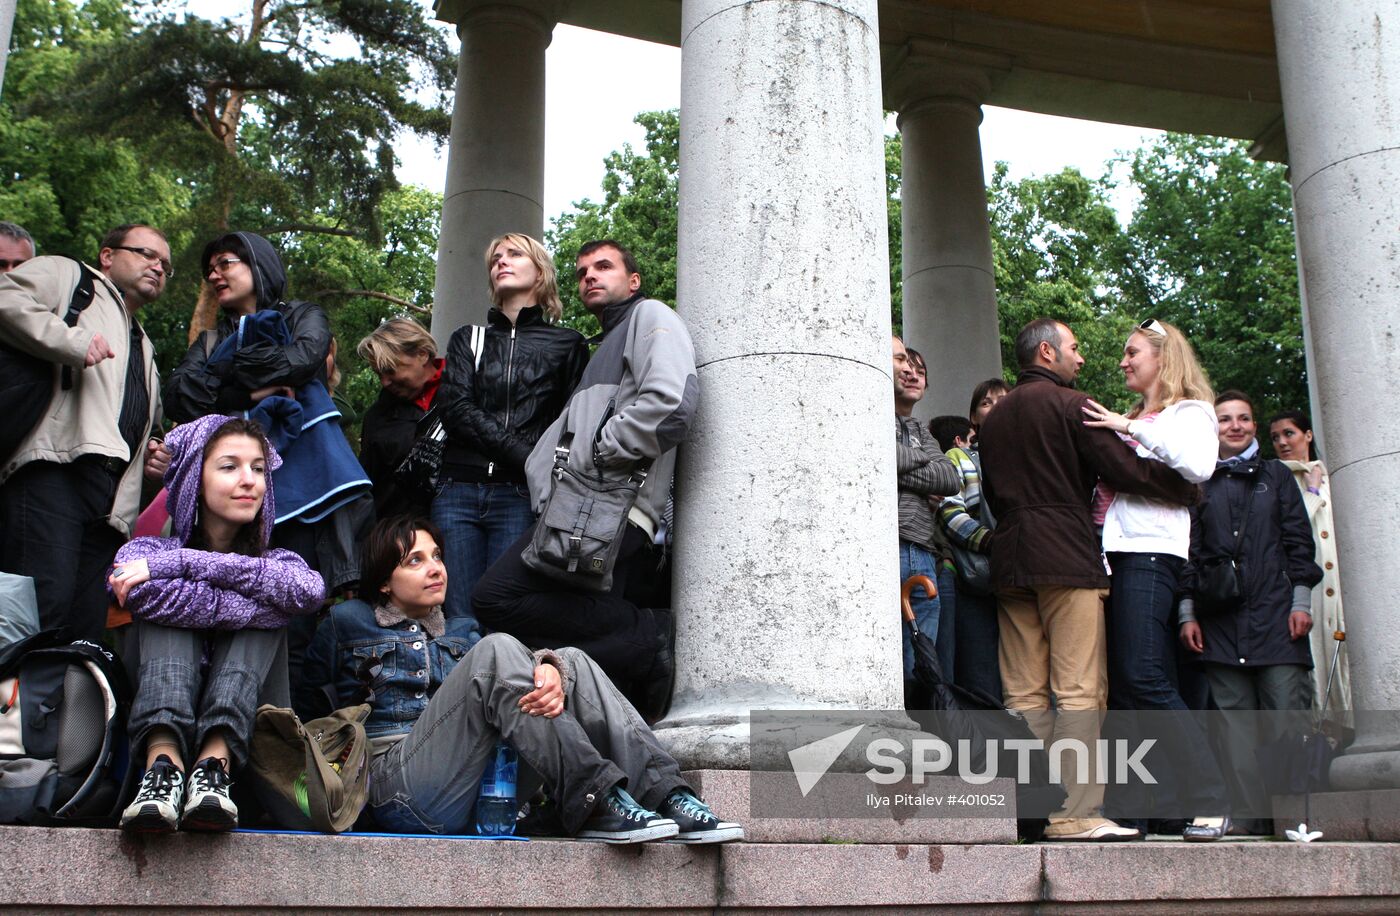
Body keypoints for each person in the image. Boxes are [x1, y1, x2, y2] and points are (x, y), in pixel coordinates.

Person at [299, 516, 742, 844]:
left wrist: (550, 667)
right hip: (398, 790)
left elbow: (517, 675)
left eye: (437, 557)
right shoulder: (346, 622)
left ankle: (668, 796)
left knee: (571, 661)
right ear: (383, 582)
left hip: (480, 789)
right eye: (415, 560)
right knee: (498, 651)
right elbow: (308, 707)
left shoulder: (462, 630)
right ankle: (596, 799)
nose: (435, 568)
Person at [977, 318, 1200, 842]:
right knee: (1078, 690)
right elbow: (1124, 471)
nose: (1081, 359)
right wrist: (1185, 490)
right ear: (1049, 353)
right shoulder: (1074, 407)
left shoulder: (995, 418)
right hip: (1066, 558)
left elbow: (990, 490)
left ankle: (1031, 811)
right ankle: (1075, 814)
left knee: (1024, 695)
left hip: (1009, 559)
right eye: (1074, 348)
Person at [473, 239, 693, 721]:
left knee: (494, 597)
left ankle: (649, 633)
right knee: (579, 647)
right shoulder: (601, 348)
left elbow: (673, 404)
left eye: (604, 266)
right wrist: (545, 483)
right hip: (582, 508)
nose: (590, 275)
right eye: (582, 271)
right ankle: (640, 660)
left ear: (633, 281)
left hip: (613, 507)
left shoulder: (649, 315)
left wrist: (603, 450)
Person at [113, 415, 325, 832]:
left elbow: (307, 591)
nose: (250, 480)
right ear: (195, 478)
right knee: (180, 607)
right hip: (149, 771)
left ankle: (215, 763)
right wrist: (181, 571)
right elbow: (136, 591)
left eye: (259, 469)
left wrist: (179, 564)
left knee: (265, 600)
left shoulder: (276, 563)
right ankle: (165, 766)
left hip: (247, 773)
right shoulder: (142, 551)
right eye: (229, 466)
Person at [1080, 318, 1229, 840]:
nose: (1123, 361)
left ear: (1164, 359)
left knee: (1144, 679)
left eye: (1132, 352)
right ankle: (1148, 809)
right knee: (1129, 688)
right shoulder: (1146, 417)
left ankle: (1212, 796)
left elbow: (1197, 464)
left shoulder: (1189, 413)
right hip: (1121, 558)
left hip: (1151, 557)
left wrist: (1129, 427)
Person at [163, 231, 372, 596]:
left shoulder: (304, 316)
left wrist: (222, 376)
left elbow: (303, 361)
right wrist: (251, 390)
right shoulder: (209, 340)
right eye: (209, 270)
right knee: (224, 595)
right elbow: (178, 397)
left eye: (225, 264)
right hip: (227, 494)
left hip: (305, 485)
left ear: (259, 265)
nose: (214, 276)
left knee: (294, 607)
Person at [0, 223, 169, 642]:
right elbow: (4, 296)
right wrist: (69, 341)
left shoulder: (144, 345)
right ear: (108, 257)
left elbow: (137, 423)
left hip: (110, 506)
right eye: (146, 254)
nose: (158, 267)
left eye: (165, 264)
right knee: (36, 615)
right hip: (54, 471)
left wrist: (153, 456)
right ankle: (14, 707)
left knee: (84, 631)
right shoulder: (68, 277)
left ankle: (64, 711)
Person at [1180, 391, 1322, 834]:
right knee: (1234, 730)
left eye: (1244, 418)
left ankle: (1293, 817)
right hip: (1220, 625)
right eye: (1225, 419)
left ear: (1253, 427)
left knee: (1283, 721)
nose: (1235, 426)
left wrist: (1300, 602)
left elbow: (1300, 543)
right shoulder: (1198, 480)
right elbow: (1189, 554)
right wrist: (1188, 613)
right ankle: (1246, 817)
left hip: (1278, 620)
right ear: (1213, 427)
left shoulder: (1277, 475)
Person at [433, 233, 589, 625]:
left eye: (514, 254)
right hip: (458, 490)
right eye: (495, 258)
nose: (501, 261)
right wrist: (527, 457)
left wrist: (535, 468)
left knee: (503, 613)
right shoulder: (469, 338)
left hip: (520, 496)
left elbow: (570, 423)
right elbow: (456, 410)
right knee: (460, 617)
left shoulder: (567, 344)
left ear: (539, 273)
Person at [1269, 409, 1350, 720]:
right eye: (1275, 437)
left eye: (1288, 433)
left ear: (1308, 435)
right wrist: (1312, 492)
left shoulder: (1336, 476)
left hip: (1341, 587)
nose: (1282, 442)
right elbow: (1290, 527)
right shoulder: (1278, 479)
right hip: (1307, 591)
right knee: (1317, 663)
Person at [893, 340, 960, 694]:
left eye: (920, 371)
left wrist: (901, 462)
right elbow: (876, 456)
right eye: (903, 363)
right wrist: (922, 461)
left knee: (924, 664)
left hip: (922, 552)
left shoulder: (923, 431)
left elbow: (949, 479)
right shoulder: (870, 419)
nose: (911, 373)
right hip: (887, 547)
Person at [929, 413, 1001, 702]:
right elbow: (951, 512)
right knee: (976, 668)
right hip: (972, 573)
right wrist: (996, 542)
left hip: (989, 572)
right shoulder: (957, 458)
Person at [357, 317, 447, 518]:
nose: (385, 382)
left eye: (390, 370)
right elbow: (368, 486)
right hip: (401, 532)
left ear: (422, 354)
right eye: (379, 374)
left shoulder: (463, 392)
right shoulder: (377, 417)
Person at [968, 377, 1009, 445]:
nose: (995, 406)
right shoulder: (957, 455)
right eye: (985, 403)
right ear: (974, 417)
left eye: (1003, 400)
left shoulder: (1028, 449)